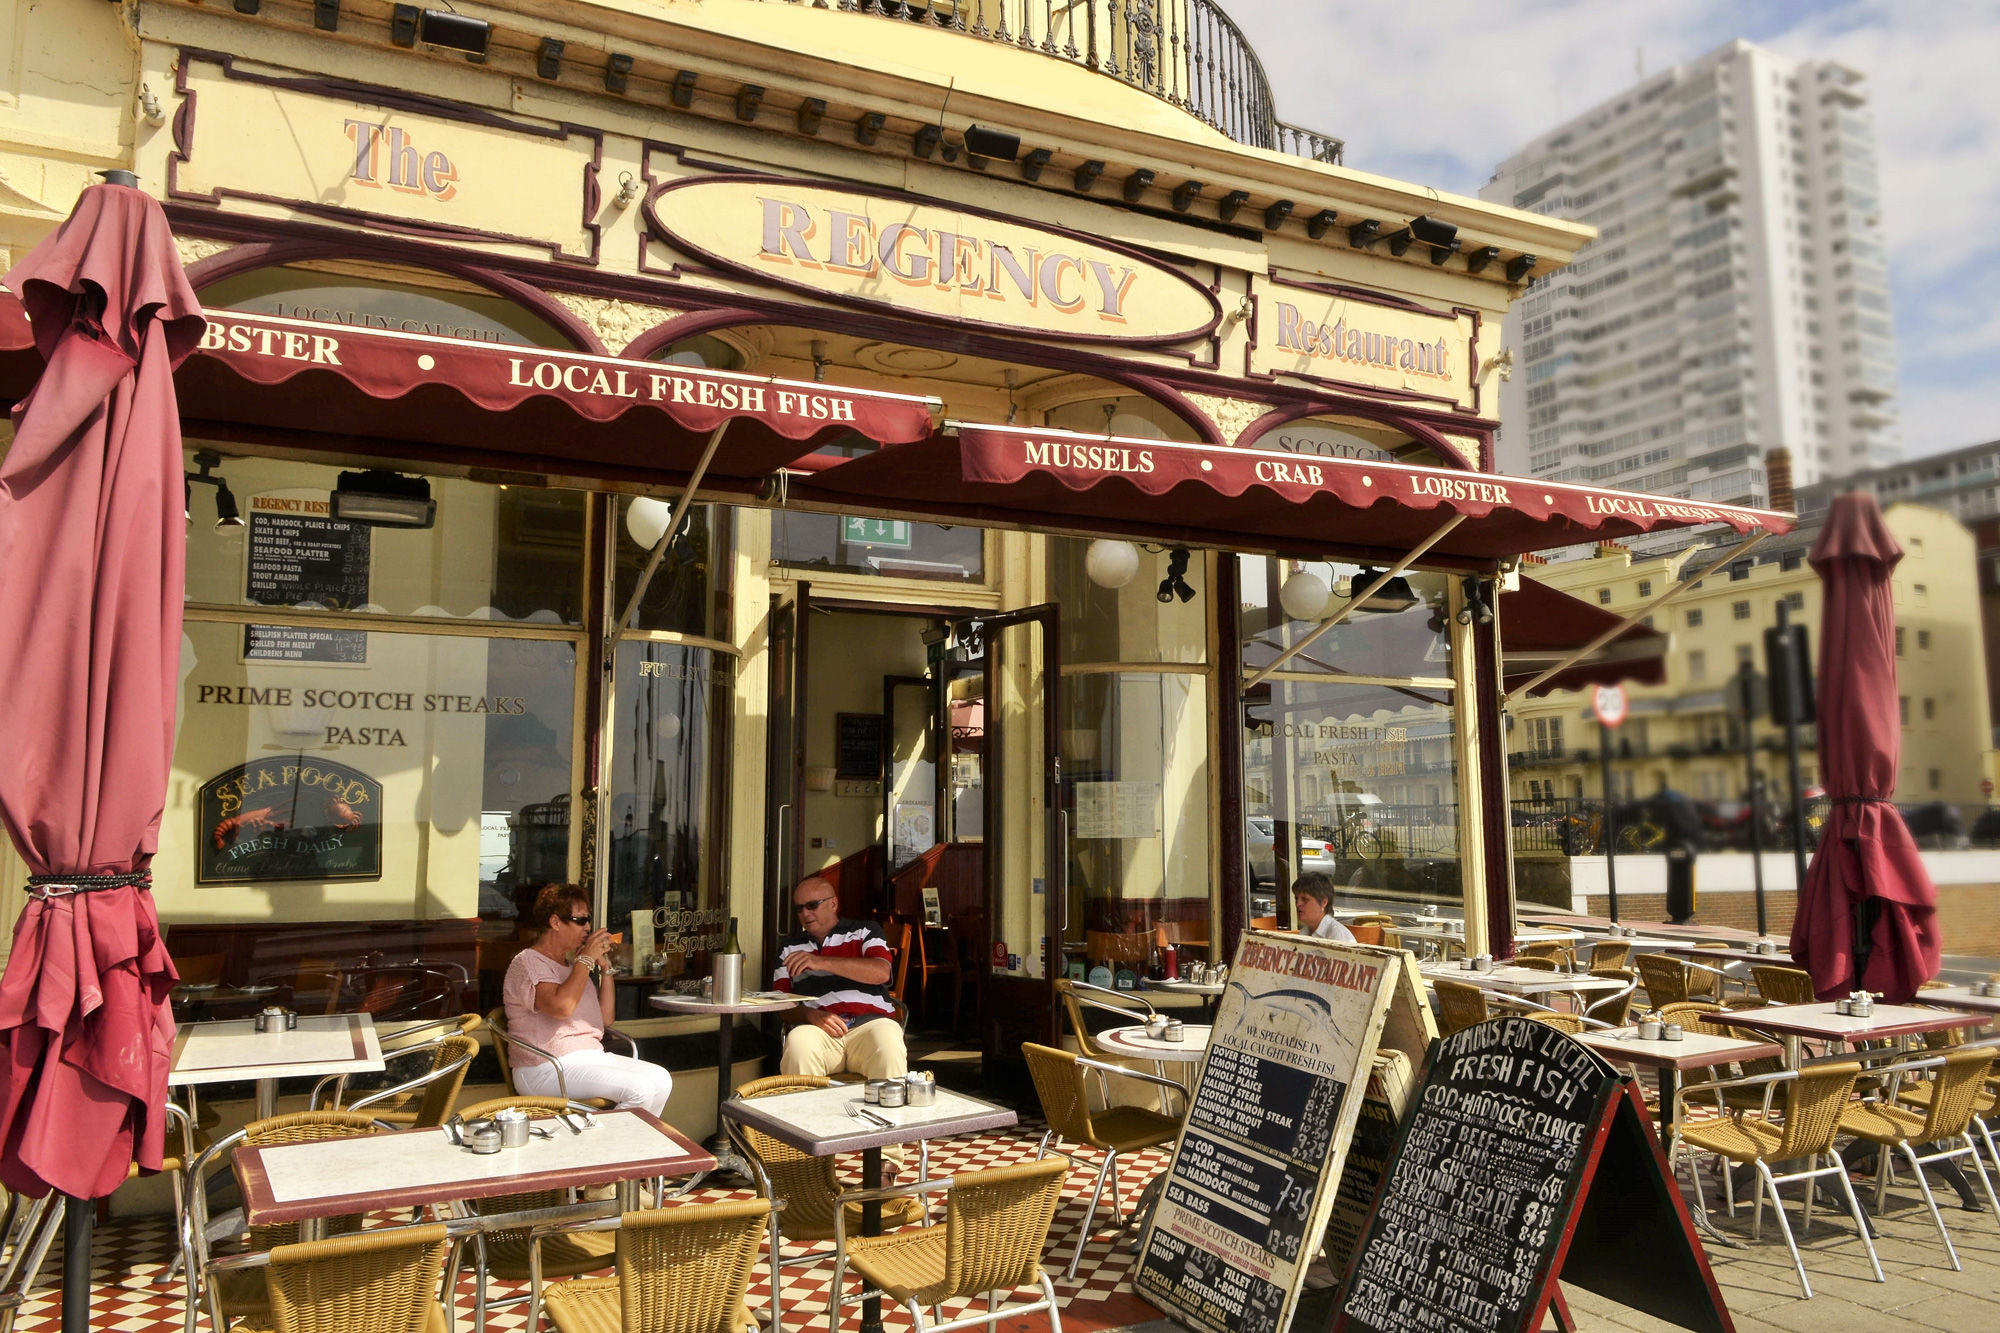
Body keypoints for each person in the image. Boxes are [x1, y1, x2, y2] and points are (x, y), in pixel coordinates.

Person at [503, 882, 674, 1116]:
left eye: (588, 919)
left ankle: (628, 1148)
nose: (588, 927)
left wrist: (605, 969)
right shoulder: (528, 962)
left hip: (589, 1058)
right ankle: (611, 1149)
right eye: (580, 920)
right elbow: (561, 1008)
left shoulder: (572, 966)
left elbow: (606, 1018)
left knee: (661, 1079)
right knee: (639, 1089)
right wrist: (585, 962)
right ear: (555, 922)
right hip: (544, 1067)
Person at [774, 876, 910, 1171]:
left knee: (888, 1041)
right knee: (798, 1045)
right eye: (799, 909)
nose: (805, 914)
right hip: (818, 1028)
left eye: (812, 905)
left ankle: (885, 1163)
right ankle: (809, 1165)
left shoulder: (865, 930)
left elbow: (880, 972)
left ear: (833, 903)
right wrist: (810, 1015)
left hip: (869, 1024)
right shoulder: (789, 947)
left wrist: (820, 961)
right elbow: (780, 1003)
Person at [1293, 872, 1356, 943]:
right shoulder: (1304, 932)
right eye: (1296, 898)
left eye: (1305, 899)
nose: (1298, 904)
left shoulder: (1338, 936)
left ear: (1324, 902)